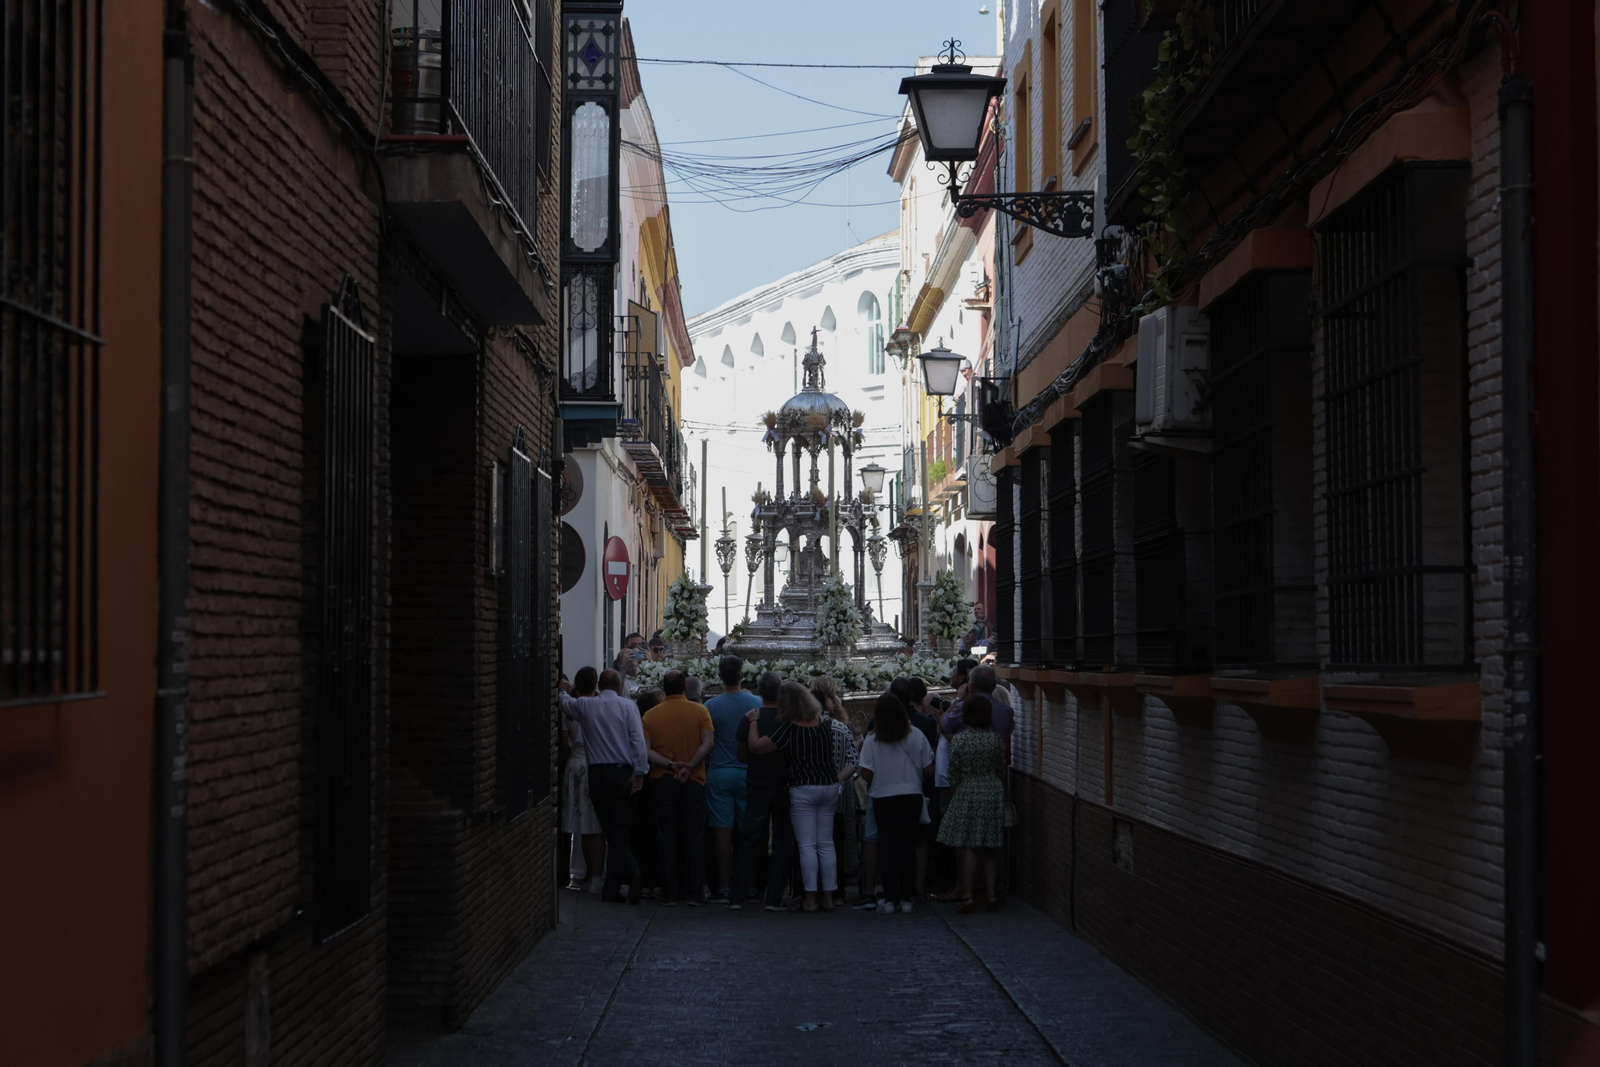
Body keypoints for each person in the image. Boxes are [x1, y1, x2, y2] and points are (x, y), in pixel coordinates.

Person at [746, 682, 848, 913]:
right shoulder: (824, 723)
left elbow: (756, 746)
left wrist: (753, 721)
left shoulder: (789, 729)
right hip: (828, 785)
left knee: (807, 846)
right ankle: (829, 898)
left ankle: (811, 899)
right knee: (826, 844)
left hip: (803, 788)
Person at [557, 669, 649, 904]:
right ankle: (631, 874)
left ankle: (613, 886)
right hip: (623, 773)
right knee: (619, 830)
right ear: (619, 686)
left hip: (597, 776)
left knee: (611, 830)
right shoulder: (628, 707)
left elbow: (564, 702)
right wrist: (640, 772)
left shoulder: (586, 706)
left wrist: (562, 688)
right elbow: (637, 742)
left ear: (601, 684)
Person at [853, 691, 933, 914]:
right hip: (911, 795)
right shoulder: (916, 735)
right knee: (907, 846)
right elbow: (929, 769)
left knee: (887, 847)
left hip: (882, 796)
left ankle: (889, 898)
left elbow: (866, 774)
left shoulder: (872, 739)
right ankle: (907, 898)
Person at [641, 670, 714, 906]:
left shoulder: (651, 715)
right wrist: (690, 766)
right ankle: (693, 892)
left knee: (666, 836)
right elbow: (707, 744)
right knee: (694, 836)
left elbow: (647, 750)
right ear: (685, 688)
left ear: (665, 688)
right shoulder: (701, 711)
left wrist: (672, 765)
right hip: (693, 780)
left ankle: (670, 892)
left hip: (663, 779)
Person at [938, 694, 1006, 913]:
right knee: (990, 846)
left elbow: (953, 772)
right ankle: (991, 893)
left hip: (968, 791)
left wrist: (960, 788)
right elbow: (1000, 767)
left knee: (969, 847)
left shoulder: (959, 740)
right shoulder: (995, 739)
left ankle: (967, 895)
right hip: (992, 791)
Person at [733, 671, 792, 911]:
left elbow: (741, 754)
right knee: (781, 840)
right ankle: (774, 897)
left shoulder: (750, 719)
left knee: (749, 840)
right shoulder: (788, 719)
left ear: (759, 691)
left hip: (757, 782)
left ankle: (738, 895)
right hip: (783, 784)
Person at [705, 656, 759, 905]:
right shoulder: (756, 702)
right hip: (747, 772)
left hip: (720, 772)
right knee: (748, 831)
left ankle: (724, 885)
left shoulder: (712, 706)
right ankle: (747, 883)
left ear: (719, 676)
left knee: (722, 831)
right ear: (742, 675)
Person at [810, 675, 859, 905]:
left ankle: (813, 889)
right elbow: (853, 760)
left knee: (813, 840)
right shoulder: (841, 726)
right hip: (840, 786)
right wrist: (838, 780)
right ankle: (836, 888)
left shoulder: (807, 728)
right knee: (837, 838)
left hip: (812, 788)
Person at [560, 668, 605, 893]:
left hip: (575, 765)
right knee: (594, 824)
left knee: (580, 824)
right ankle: (595, 877)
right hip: (594, 764)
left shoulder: (570, 708)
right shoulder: (601, 707)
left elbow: (566, 744)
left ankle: (579, 873)